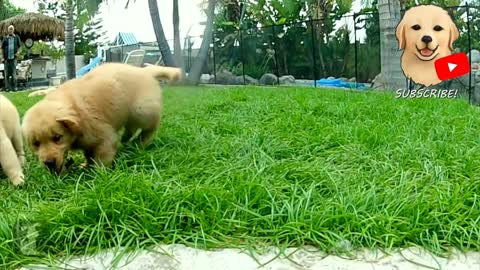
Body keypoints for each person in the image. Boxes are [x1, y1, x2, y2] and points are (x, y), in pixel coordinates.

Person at [1, 25, 22, 91]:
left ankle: (15, 87)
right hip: (6, 59)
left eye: (11, 29)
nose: (10, 30)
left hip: (14, 59)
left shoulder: (16, 37)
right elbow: (2, 48)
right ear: (8, 30)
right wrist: (2, 57)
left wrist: (18, 52)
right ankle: (7, 88)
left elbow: (20, 47)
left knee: (14, 74)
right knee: (6, 74)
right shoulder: (5, 38)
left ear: (13, 30)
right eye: (9, 29)